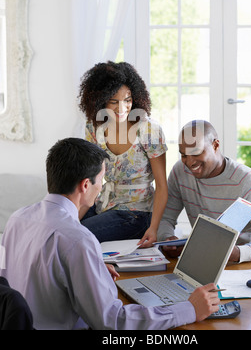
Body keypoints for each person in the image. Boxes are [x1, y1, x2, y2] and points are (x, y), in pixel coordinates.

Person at [0, 138, 220, 330]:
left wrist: (86, 269)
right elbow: (113, 322)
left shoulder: (18, 219)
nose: (102, 187)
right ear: (86, 185)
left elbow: (20, 276)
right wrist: (189, 309)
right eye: (102, 180)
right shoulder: (78, 239)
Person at [157, 120, 251, 263]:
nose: (189, 162)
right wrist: (167, 238)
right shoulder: (180, 172)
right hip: (203, 262)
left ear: (215, 145)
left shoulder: (248, 182)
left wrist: (237, 253)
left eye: (196, 152)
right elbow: (165, 219)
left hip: (244, 266)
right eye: (184, 155)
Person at [78, 61, 168, 247]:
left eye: (127, 100)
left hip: (137, 213)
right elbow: (89, 179)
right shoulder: (94, 128)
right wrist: (72, 219)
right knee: (64, 230)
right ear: (101, 99)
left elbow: (161, 185)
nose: (122, 108)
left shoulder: (148, 129)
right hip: (104, 204)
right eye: (114, 101)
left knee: (80, 235)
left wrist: (154, 227)